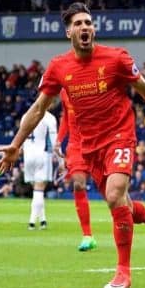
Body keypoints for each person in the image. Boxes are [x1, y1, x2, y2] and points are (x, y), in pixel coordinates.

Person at [0, 2, 145, 288]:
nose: (85, 27)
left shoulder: (116, 59)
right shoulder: (58, 67)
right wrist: (15, 144)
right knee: (122, 204)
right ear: (68, 32)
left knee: (114, 197)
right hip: (88, 146)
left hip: (119, 137)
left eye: (88, 22)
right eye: (78, 24)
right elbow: (38, 109)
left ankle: (123, 273)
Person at [54, 88, 97, 251]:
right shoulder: (64, 91)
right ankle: (87, 235)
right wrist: (59, 140)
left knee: (113, 194)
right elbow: (66, 117)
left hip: (97, 142)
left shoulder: (93, 86)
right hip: (76, 146)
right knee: (78, 184)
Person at [22, 109, 57, 230]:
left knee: (37, 191)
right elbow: (54, 140)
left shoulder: (26, 115)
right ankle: (31, 222)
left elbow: (20, 136)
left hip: (28, 155)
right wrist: (61, 159)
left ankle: (43, 220)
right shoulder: (49, 117)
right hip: (42, 154)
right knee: (39, 189)